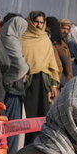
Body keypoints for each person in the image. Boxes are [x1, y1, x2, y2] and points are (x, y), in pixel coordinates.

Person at [21, 11, 60, 144]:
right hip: (28, 82)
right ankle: (27, 144)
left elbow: (52, 62)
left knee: (43, 114)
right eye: (36, 22)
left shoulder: (45, 39)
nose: (38, 25)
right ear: (30, 22)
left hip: (43, 82)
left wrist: (54, 84)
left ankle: (40, 143)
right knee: (28, 114)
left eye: (41, 22)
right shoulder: (23, 38)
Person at [0, 15, 29, 152]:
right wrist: (9, 79)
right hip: (12, 90)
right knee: (12, 126)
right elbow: (21, 67)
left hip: (9, 88)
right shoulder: (11, 41)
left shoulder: (4, 38)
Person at [46, 16, 73, 85]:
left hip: (59, 77)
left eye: (68, 29)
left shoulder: (64, 43)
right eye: (64, 28)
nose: (65, 31)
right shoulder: (53, 41)